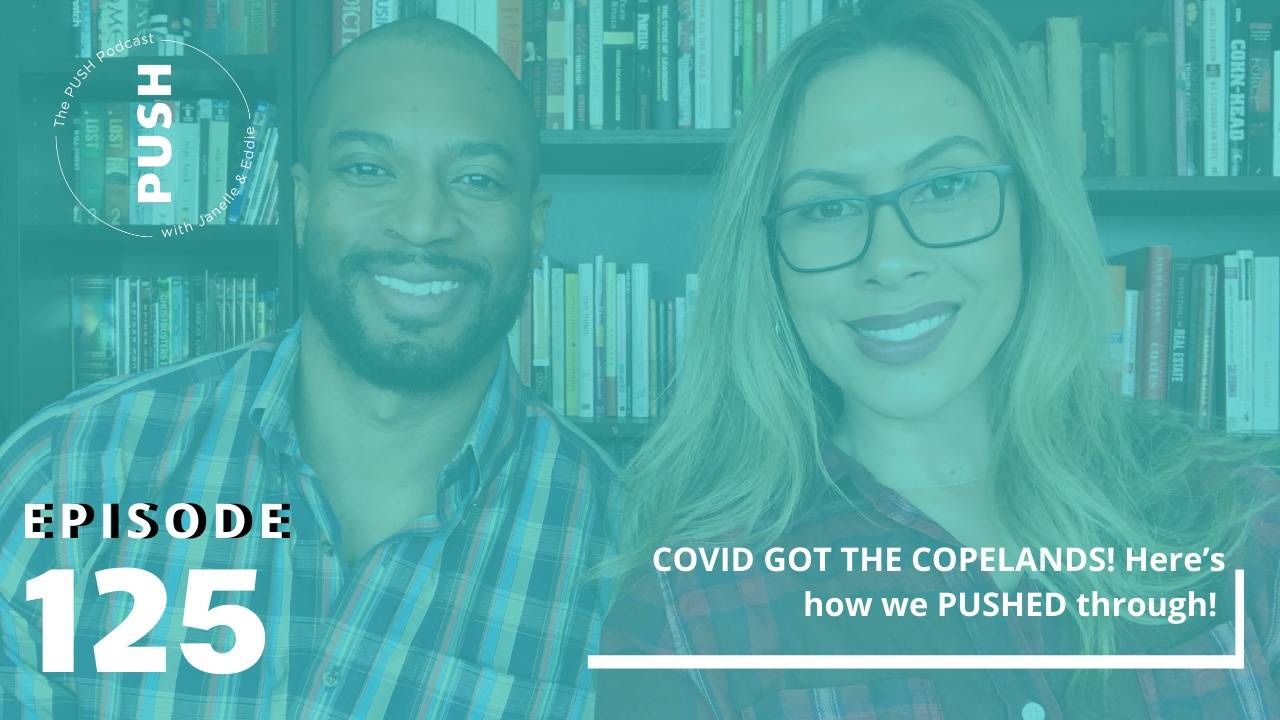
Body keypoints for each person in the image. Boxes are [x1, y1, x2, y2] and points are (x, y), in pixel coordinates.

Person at [597, 1, 1280, 718]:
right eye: (826, 208)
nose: (890, 261)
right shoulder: (684, 619)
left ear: (1032, 211)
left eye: (945, 186)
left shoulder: (1244, 519)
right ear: (766, 261)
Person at [0, 18, 616, 720]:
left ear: (534, 225)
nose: (422, 223)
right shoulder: (68, 471)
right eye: (367, 169)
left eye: (477, 180)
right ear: (301, 202)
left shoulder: (622, 555)